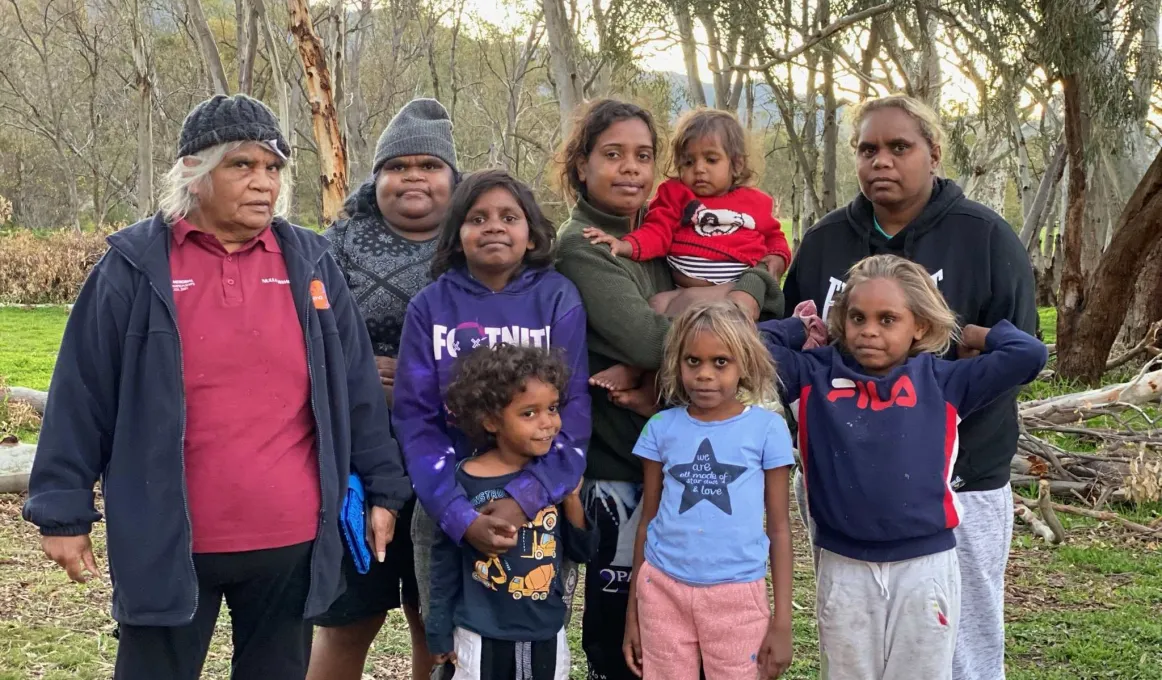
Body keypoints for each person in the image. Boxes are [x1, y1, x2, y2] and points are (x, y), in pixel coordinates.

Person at [21, 94, 412, 680]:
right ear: (193, 172)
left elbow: (354, 386)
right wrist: (61, 511)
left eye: (273, 168)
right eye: (242, 166)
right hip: (168, 540)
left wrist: (384, 488)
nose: (264, 183)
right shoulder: (134, 265)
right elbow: (82, 392)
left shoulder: (310, 261)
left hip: (291, 541)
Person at [781, 94, 1038, 680]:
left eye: (900, 147)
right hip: (847, 489)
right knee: (855, 646)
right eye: (868, 149)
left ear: (934, 154)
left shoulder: (986, 239)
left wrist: (962, 344)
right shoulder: (825, 243)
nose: (882, 162)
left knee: (963, 647)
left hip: (960, 481)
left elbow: (1017, 350)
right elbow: (800, 345)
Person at [553, 99, 786, 680]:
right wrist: (741, 306)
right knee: (625, 639)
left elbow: (763, 279)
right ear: (582, 165)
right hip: (619, 468)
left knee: (692, 632)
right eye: (612, 155)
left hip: (687, 459)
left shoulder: (665, 232)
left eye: (643, 156)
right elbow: (650, 343)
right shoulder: (585, 244)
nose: (631, 168)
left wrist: (756, 281)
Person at [762, 255, 1047, 679]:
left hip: (926, 568)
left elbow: (1029, 354)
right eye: (857, 317)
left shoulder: (944, 381)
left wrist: (969, 333)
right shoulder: (811, 378)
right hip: (844, 566)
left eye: (888, 319)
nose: (869, 330)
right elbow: (743, 343)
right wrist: (799, 328)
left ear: (920, 326)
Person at [393, 170, 591, 672]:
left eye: (509, 216)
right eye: (477, 218)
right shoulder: (431, 305)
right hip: (448, 507)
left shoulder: (558, 297)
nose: (494, 227)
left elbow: (574, 417)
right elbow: (416, 421)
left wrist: (524, 498)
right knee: (453, 652)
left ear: (531, 231)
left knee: (537, 646)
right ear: (457, 232)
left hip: (540, 509)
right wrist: (459, 516)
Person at [310, 97, 459, 680]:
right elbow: (302, 330)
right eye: (398, 167)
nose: (413, 177)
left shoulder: (476, 242)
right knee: (348, 617)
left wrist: (424, 377)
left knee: (434, 615)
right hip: (357, 461)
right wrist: (354, 369)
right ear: (377, 179)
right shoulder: (334, 245)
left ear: (453, 177)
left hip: (451, 460)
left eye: (429, 165)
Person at [620, 302, 794, 680]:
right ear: (677, 364)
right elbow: (647, 521)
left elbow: (779, 529)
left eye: (721, 362)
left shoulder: (767, 430)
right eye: (692, 361)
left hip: (737, 597)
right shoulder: (660, 428)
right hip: (662, 590)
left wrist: (782, 622)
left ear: (744, 365)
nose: (704, 375)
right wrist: (633, 611)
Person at [582, 108, 792, 394]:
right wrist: (626, 245)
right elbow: (657, 231)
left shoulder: (755, 202)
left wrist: (776, 261)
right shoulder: (675, 195)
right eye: (688, 162)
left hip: (736, 291)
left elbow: (774, 237)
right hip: (687, 293)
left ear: (737, 165)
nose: (699, 169)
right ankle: (641, 375)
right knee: (657, 305)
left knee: (728, 343)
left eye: (711, 159)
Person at [427, 344, 598, 680]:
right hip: (478, 635)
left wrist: (573, 501)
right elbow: (443, 561)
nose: (548, 423)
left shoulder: (556, 477)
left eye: (552, 408)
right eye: (529, 413)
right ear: (491, 421)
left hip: (545, 633)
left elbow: (583, 551)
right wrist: (438, 630)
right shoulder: (464, 479)